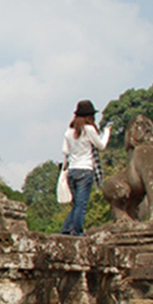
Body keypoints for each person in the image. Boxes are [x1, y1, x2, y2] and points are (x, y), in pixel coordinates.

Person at [61, 99, 110, 236]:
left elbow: (65, 151)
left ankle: (66, 229)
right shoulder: (88, 129)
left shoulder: (69, 132)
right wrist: (106, 133)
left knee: (76, 204)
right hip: (85, 169)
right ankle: (77, 232)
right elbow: (101, 146)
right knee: (81, 206)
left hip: (72, 170)